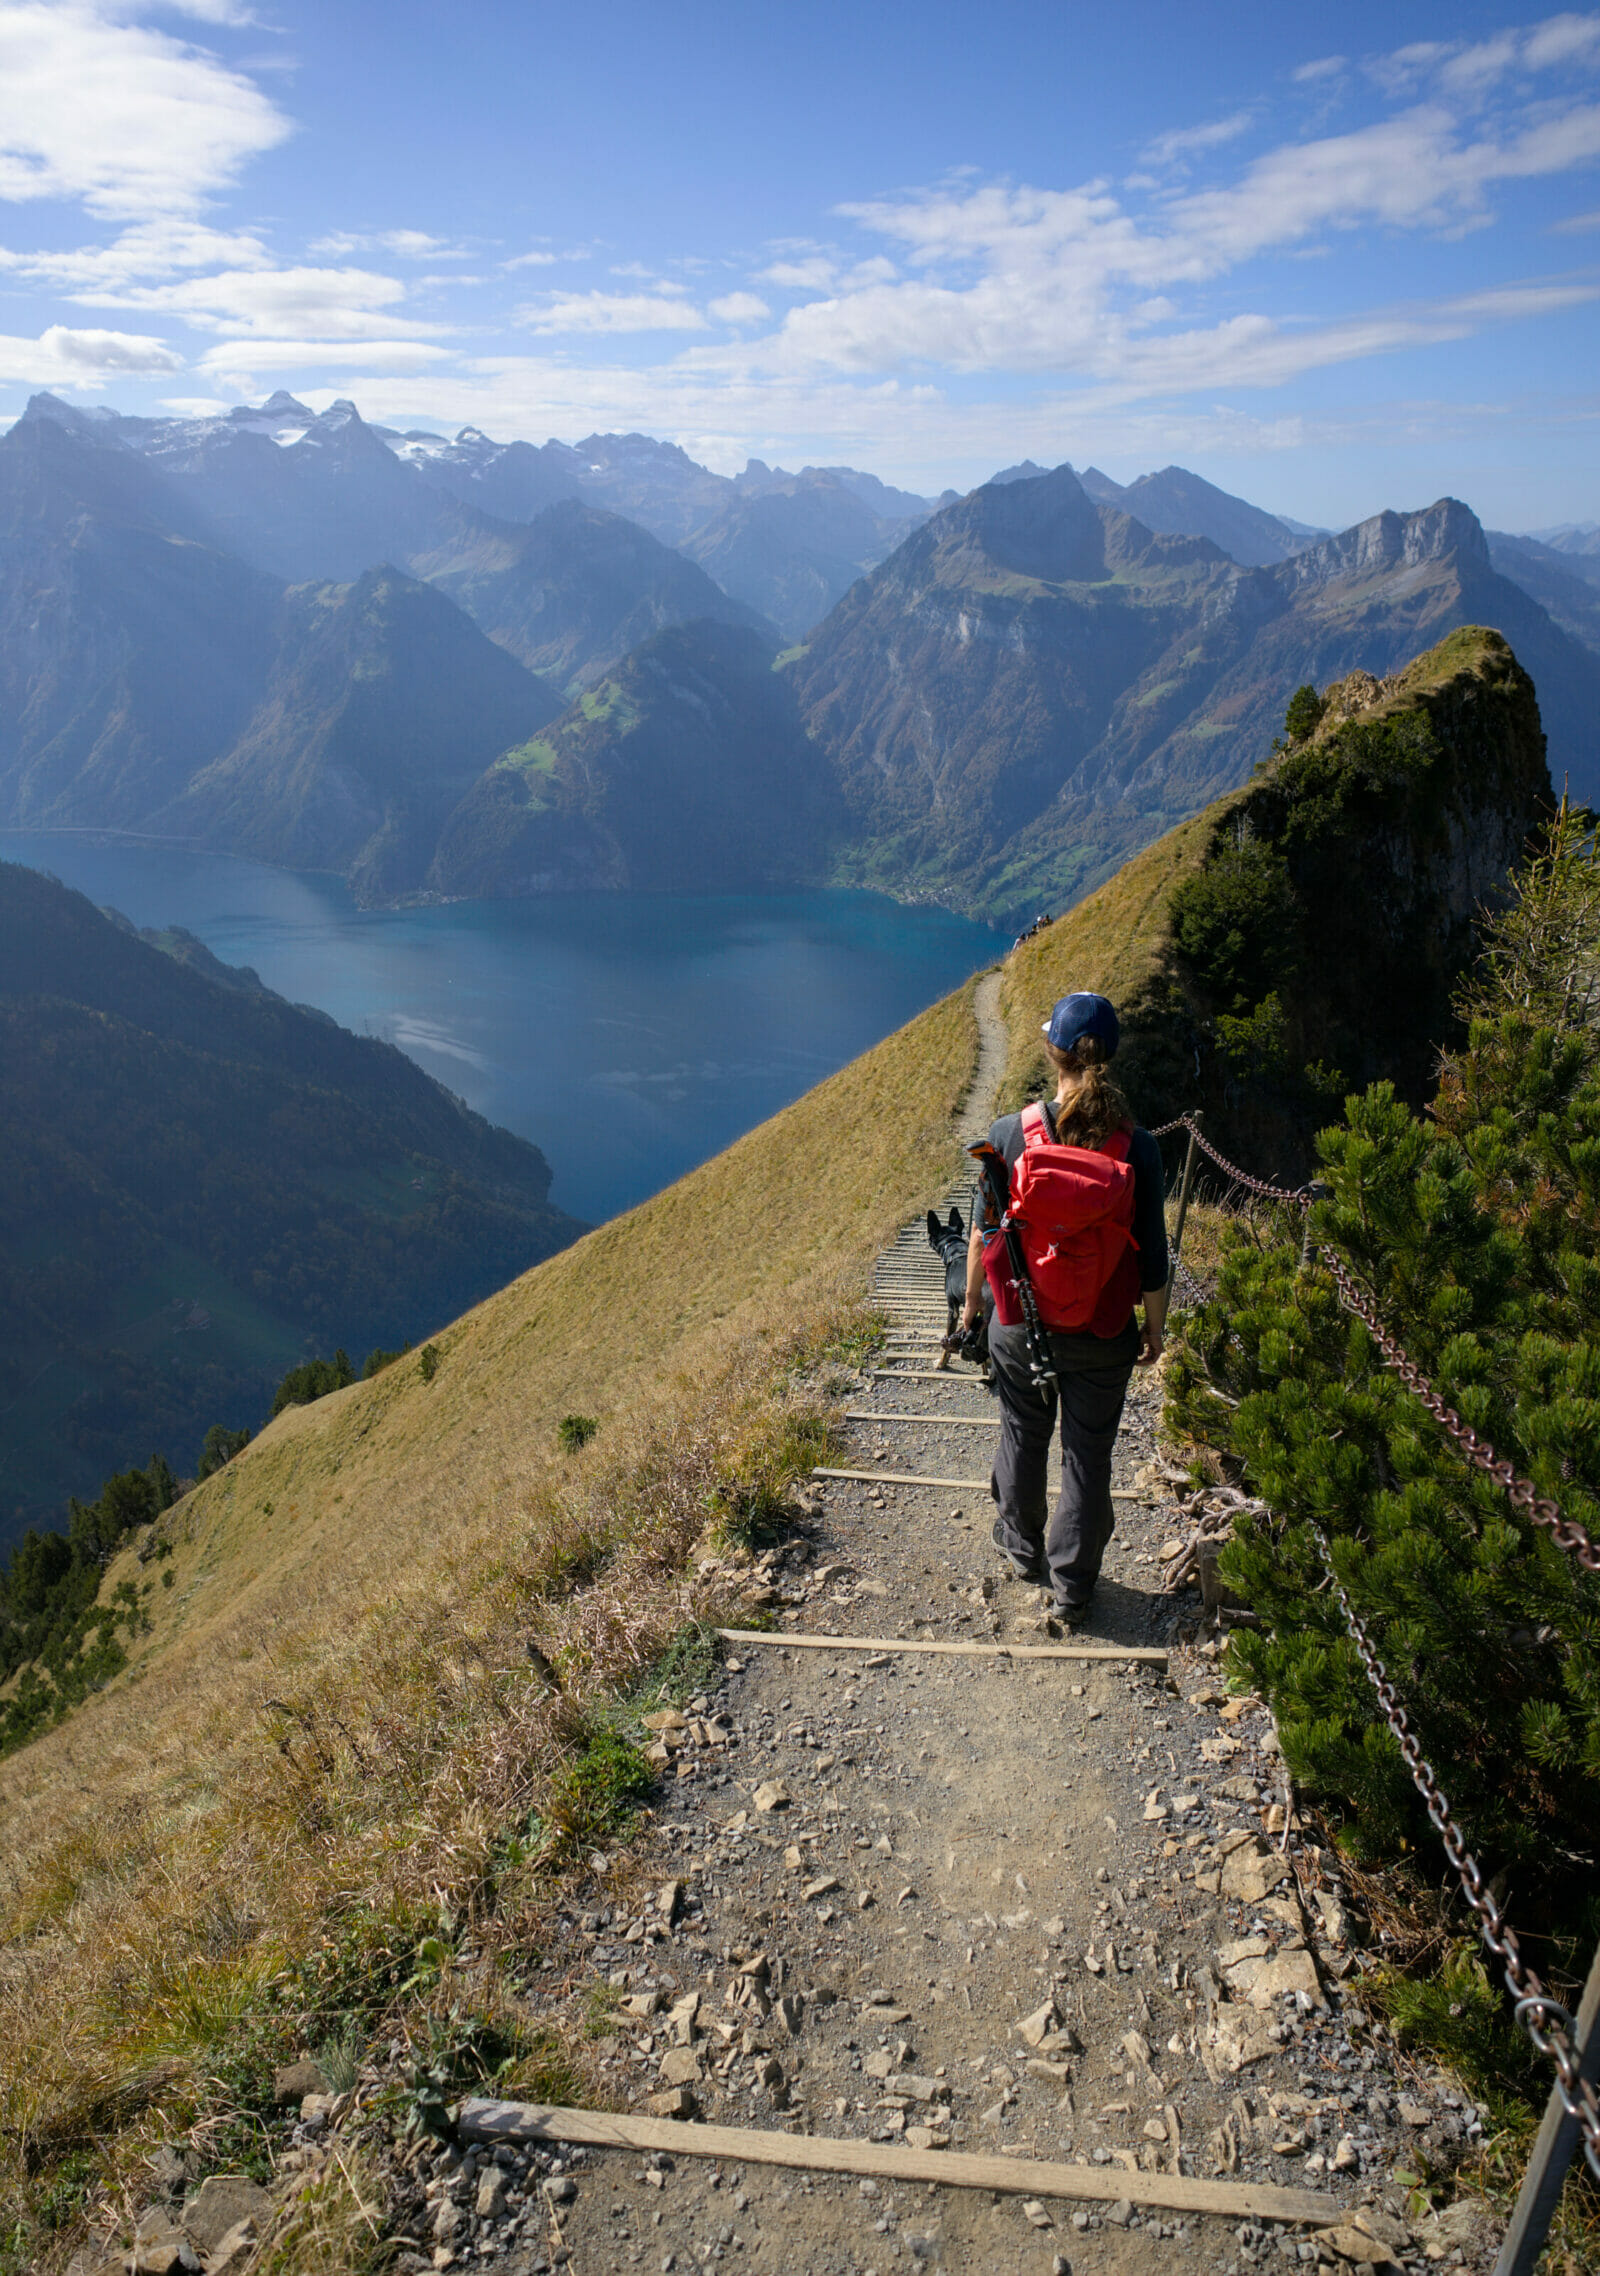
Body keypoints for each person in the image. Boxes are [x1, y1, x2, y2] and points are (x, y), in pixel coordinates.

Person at [959, 990, 1168, 1625]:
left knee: (1023, 1431)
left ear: (1053, 1052)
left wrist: (972, 1312)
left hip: (1021, 1324)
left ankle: (1022, 1550)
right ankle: (1074, 1587)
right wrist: (1153, 1334)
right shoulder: (1139, 1149)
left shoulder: (1008, 1135)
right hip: (1103, 1329)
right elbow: (1153, 1258)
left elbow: (981, 1237)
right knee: (1088, 1452)